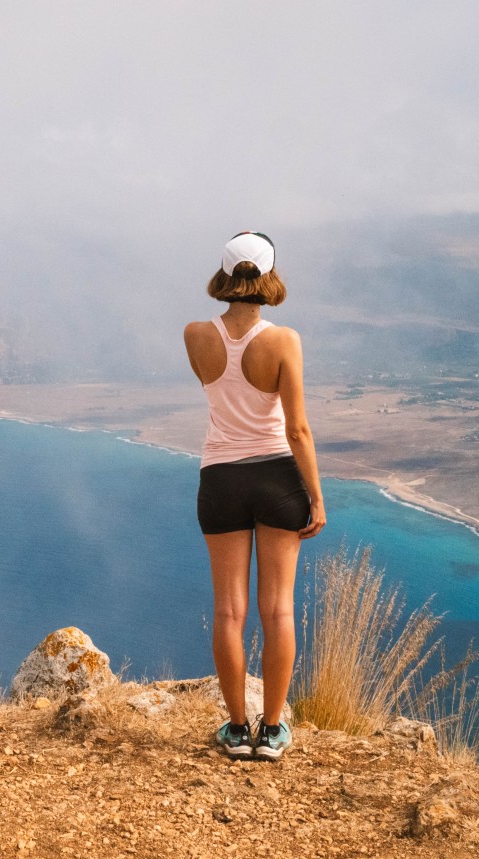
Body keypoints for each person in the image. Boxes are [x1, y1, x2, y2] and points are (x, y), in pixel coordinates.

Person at [183, 231, 326, 760]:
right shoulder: (284, 341)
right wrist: (316, 496)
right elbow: (298, 430)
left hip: (219, 478)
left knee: (229, 612)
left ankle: (237, 730)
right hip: (276, 478)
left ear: (224, 273)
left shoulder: (195, 334)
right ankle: (272, 731)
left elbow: (218, 390)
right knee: (278, 610)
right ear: (268, 274)